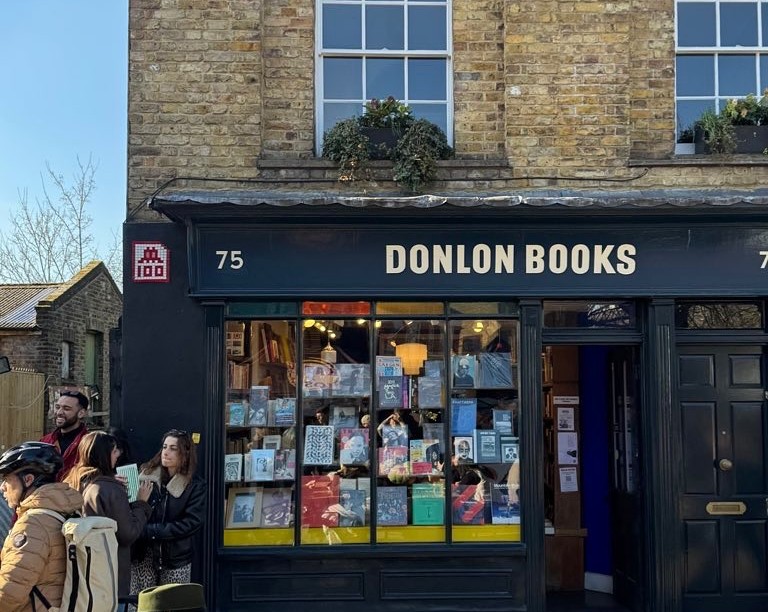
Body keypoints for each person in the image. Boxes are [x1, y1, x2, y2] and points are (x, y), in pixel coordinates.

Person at [64, 431, 154, 598]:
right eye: (114, 451)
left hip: (82, 569)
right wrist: (141, 503)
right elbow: (128, 534)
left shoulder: (75, 481)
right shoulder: (110, 489)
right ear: (104, 455)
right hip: (109, 574)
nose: (118, 454)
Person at [0, 442, 83, 611]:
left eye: (7, 480)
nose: (2, 488)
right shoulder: (63, 512)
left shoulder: (32, 525)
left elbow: (8, 595)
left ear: (28, 480)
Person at [130, 430, 206, 597]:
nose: (166, 452)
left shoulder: (194, 486)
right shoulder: (145, 476)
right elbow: (130, 512)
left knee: (173, 604)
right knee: (140, 603)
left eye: (173, 448)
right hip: (144, 554)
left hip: (175, 557)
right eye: (164, 447)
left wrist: (151, 531)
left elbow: (192, 522)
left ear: (184, 453)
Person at [40, 390, 90, 481]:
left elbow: (99, 474)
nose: (59, 412)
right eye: (57, 407)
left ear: (81, 413)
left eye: (66, 409)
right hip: (48, 493)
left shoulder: (90, 443)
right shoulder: (45, 441)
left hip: (76, 494)